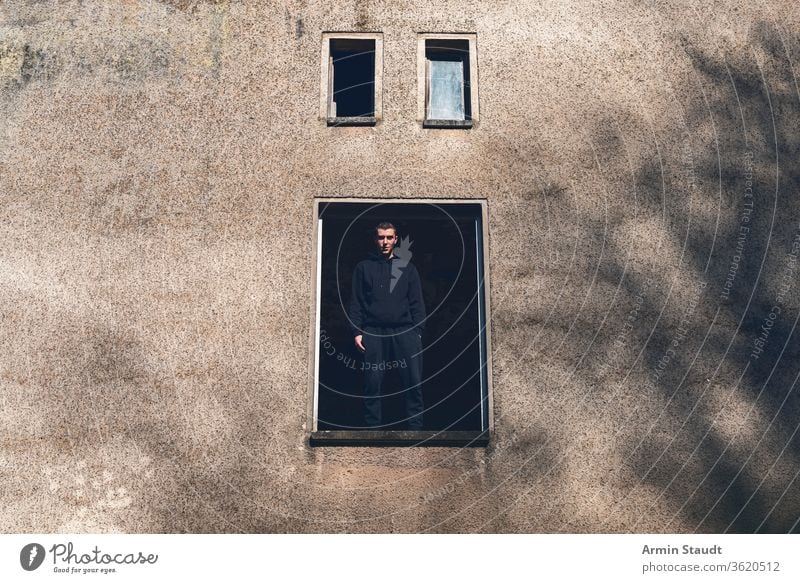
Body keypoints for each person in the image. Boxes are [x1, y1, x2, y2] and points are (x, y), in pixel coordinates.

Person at [348, 221, 426, 430]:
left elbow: (417, 303)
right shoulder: (363, 268)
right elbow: (355, 303)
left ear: (396, 239)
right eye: (381, 237)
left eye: (389, 237)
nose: (385, 242)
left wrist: (417, 332)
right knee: (372, 384)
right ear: (375, 239)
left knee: (413, 382)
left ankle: (415, 430)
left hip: (405, 331)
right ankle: (372, 431)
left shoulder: (407, 268)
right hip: (373, 331)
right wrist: (357, 331)